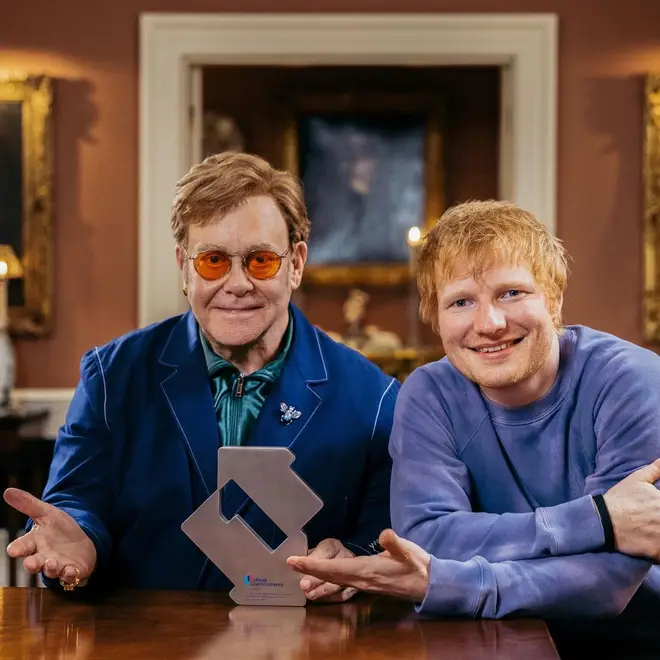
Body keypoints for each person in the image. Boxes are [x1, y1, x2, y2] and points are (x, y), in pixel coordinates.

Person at [4, 152, 398, 600]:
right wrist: (77, 547)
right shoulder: (113, 377)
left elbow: (386, 539)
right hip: (146, 642)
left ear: (296, 264)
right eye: (213, 261)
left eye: (261, 261)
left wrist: (355, 558)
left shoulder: (375, 398)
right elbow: (76, 507)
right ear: (184, 268)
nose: (236, 284)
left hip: (306, 643)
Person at [288, 199, 660, 620]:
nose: (490, 323)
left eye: (512, 293)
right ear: (436, 317)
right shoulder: (429, 394)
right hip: (485, 640)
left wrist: (451, 583)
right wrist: (597, 519)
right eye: (461, 302)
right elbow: (429, 537)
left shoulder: (633, 382)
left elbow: (608, 583)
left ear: (554, 298)